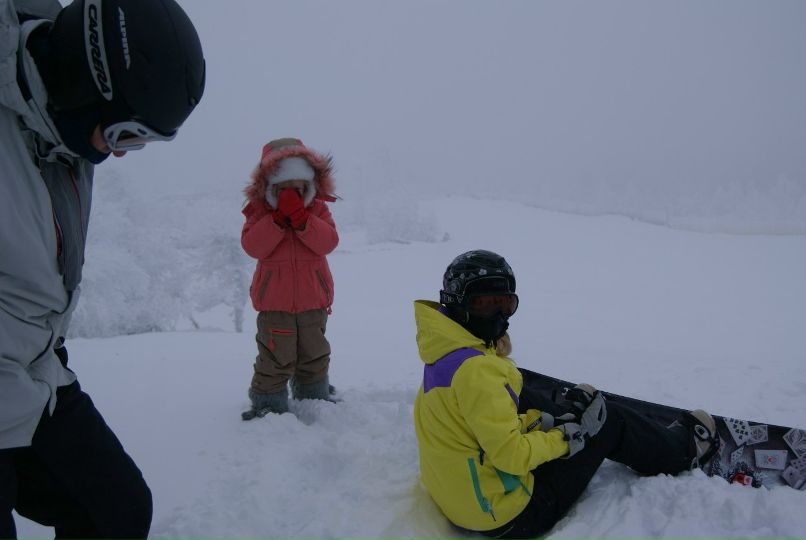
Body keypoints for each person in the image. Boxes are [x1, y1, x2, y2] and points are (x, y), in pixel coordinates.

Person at [0, 0, 205, 537]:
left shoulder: (60, 132)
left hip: (34, 368)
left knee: (115, 510)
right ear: (84, 84)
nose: (121, 155)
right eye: (122, 135)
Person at [413, 250, 719, 539]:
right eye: (484, 303)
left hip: (465, 499)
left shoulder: (444, 350)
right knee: (609, 421)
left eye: (505, 303)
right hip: (511, 516)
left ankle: (570, 413)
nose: (498, 314)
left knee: (522, 392)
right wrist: (564, 438)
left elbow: (470, 418)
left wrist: (542, 423)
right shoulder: (478, 372)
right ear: (457, 303)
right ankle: (683, 450)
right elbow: (511, 457)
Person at [240, 137, 339, 419]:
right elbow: (253, 247)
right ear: (269, 187)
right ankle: (268, 405)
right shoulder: (258, 212)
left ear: (309, 185)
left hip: (313, 302)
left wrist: (302, 220)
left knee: (314, 353)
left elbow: (328, 243)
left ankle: (313, 396)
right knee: (274, 358)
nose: (291, 194)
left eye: (298, 187)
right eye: (283, 188)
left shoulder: (317, 210)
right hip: (275, 306)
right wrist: (276, 222)